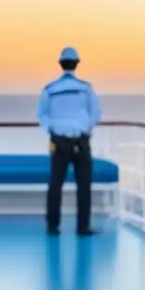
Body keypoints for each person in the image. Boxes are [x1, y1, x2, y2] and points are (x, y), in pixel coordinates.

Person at [37, 46, 100, 236]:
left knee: (55, 183)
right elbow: (95, 113)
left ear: (60, 63)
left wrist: (54, 131)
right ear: (77, 64)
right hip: (81, 141)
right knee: (84, 185)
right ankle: (83, 227)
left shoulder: (49, 89)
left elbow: (42, 116)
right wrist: (84, 129)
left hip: (58, 142)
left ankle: (53, 225)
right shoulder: (85, 88)